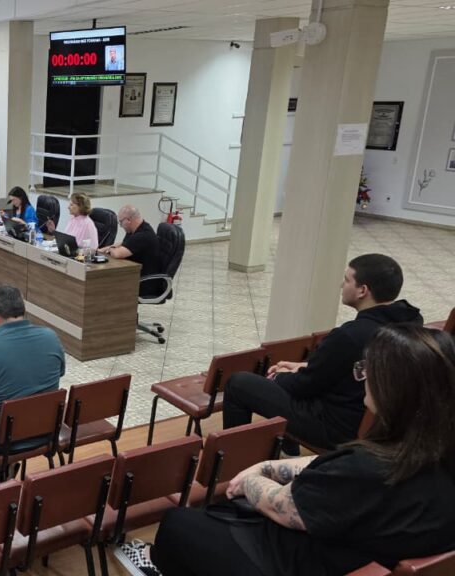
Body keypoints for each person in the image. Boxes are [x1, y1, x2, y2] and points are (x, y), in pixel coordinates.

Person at [128, 324, 455, 576]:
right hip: (358, 552)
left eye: (369, 368)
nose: (363, 375)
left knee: (177, 524)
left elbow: (284, 506)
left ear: (393, 388)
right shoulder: (432, 450)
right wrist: (271, 466)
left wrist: (253, 477)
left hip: (296, 562)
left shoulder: (367, 469)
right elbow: (336, 469)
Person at [222, 254, 422, 452]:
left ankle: (235, 460)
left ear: (362, 290)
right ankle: (289, 451)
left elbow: (305, 386)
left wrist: (279, 377)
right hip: (379, 423)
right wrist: (304, 367)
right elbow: (346, 369)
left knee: (239, 383)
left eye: (346, 280)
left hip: (336, 428)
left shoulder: (350, 335)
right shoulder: (410, 325)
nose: (341, 285)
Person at [99, 204, 161, 296]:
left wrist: (111, 249)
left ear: (128, 220)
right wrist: (102, 249)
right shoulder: (135, 229)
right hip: (134, 274)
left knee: (104, 284)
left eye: (120, 222)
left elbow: (118, 254)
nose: (120, 226)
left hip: (143, 283)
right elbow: (124, 243)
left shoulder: (143, 235)